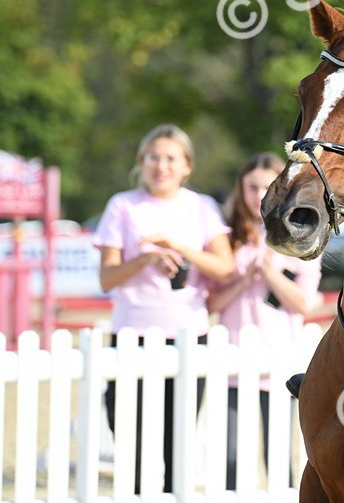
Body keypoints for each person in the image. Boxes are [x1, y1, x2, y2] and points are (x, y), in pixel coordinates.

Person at [92, 123, 235, 493]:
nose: (162, 166)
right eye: (153, 157)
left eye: (171, 158)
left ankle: (174, 494)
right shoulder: (122, 205)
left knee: (178, 432)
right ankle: (139, 495)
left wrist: (177, 247)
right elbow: (106, 278)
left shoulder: (201, 207)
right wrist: (143, 259)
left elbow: (223, 266)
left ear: (187, 166)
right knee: (126, 427)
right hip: (130, 335)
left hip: (187, 335)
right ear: (141, 162)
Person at [205, 152, 321, 489]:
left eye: (265, 186)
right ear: (240, 190)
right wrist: (244, 278)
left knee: (279, 456)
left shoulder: (298, 235)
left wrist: (269, 272)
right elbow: (211, 301)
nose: (258, 194)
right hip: (233, 357)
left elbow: (303, 303)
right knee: (230, 454)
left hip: (279, 358)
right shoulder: (227, 238)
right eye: (251, 187)